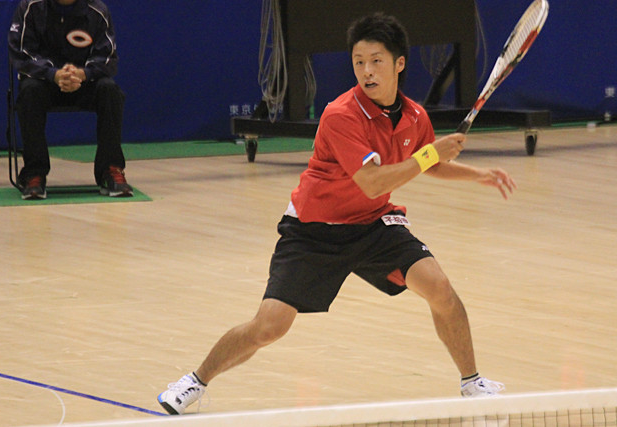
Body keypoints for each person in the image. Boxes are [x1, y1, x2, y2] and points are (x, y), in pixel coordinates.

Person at [157, 13, 515, 415]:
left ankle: (472, 382)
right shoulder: (341, 114)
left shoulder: (415, 116)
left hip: (373, 224)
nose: (366, 71)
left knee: (440, 289)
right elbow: (374, 181)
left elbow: (427, 164)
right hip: (313, 231)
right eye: (359, 62)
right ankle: (195, 381)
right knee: (269, 326)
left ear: (399, 63)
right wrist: (431, 154)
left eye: (376, 61)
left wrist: (477, 174)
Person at [8, 0, 133, 200]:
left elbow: (107, 59)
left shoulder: (97, 11)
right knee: (29, 90)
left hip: (83, 83)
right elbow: (21, 54)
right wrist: (54, 74)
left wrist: (82, 74)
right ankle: (34, 173)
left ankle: (110, 170)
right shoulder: (30, 8)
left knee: (110, 90)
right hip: (45, 83)